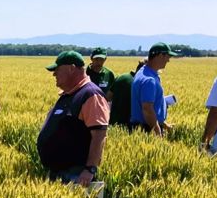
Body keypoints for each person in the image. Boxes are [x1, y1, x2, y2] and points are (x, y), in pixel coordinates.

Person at [37, 51, 110, 187]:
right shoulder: (69, 94)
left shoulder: (90, 95)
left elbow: (99, 135)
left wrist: (90, 169)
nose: (54, 74)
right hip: (60, 173)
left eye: (57, 70)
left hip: (76, 174)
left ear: (71, 68)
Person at [130, 42, 178, 135]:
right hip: (147, 129)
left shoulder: (144, 71)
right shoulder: (149, 80)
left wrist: (163, 124)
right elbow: (147, 109)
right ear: (160, 55)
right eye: (168, 56)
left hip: (144, 126)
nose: (168, 60)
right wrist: (157, 131)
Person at [109, 59, 146, 130]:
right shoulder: (140, 84)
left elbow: (108, 96)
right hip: (130, 125)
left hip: (113, 123)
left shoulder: (121, 77)